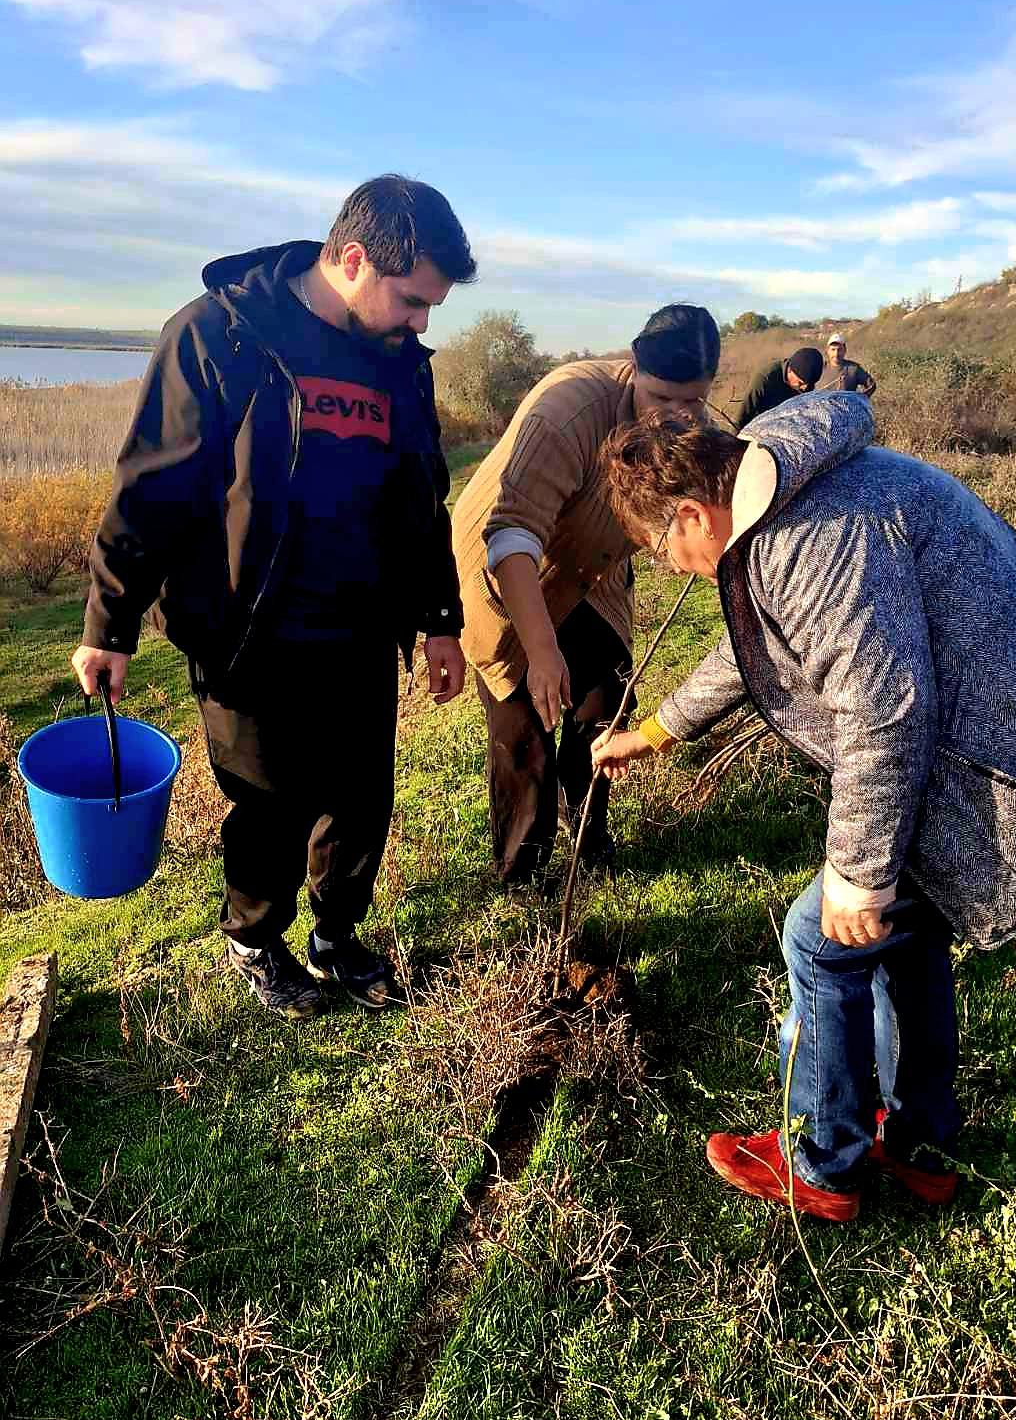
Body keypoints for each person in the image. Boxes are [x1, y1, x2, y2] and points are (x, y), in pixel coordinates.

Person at [592, 393, 1016, 1222]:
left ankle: (823, 1162)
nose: (667, 563)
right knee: (909, 944)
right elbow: (768, 639)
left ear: (694, 511)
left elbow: (884, 709)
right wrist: (662, 728)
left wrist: (860, 873)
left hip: (995, 741)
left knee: (823, 938)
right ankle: (921, 1149)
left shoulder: (813, 537)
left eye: (660, 545)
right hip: (993, 719)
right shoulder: (780, 489)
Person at [71, 175, 477, 1021]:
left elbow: (421, 499)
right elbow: (152, 487)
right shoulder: (221, 334)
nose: (420, 323)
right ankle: (255, 940)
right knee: (269, 805)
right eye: (411, 300)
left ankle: (338, 934)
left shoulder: (401, 364)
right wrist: (109, 622)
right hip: (246, 629)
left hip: (362, 626)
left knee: (362, 796)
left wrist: (440, 619)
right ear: (354, 258)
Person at [453, 304, 720, 886]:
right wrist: (543, 651)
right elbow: (513, 532)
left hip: (592, 572)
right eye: (662, 397)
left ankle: (591, 845)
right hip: (510, 566)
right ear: (633, 367)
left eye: (693, 400)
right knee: (524, 726)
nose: (677, 416)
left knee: (601, 705)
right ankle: (521, 871)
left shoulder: (696, 424)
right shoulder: (568, 411)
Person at [733, 346, 824, 431]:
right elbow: (742, 417)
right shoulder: (764, 378)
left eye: (809, 385)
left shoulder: (807, 385)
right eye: (800, 383)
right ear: (789, 370)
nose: (805, 388)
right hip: (757, 429)